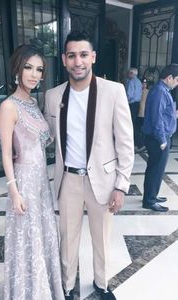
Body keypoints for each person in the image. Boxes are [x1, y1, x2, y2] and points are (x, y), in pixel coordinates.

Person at [44, 31, 134, 300]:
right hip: (68, 180)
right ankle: (68, 287)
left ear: (93, 57)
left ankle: (102, 285)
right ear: (64, 59)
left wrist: (121, 185)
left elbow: (125, 143)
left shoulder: (114, 91)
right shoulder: (52, 95)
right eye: (72, 55)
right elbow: (48, 137)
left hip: (103, 181)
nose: (78, 61)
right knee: (67, 241)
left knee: (102, 240)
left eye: (83, 54)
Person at [0, 45, 65, 300]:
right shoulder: (8, 106)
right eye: (28, 67)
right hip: (23, 181)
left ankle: (44, 287)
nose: (34, 74)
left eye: (39, 69)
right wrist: (14, 192)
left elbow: (41, 140)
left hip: (40, 181)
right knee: (27, 238)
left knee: (42, 234)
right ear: (17, 69)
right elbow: (6, 153)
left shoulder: (34, 103)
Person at [142, 64, 178, 212]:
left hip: (157, 137)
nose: (177, 83)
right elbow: (157, 119)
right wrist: (163, 140)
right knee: (155, 169)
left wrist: (173, 115)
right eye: (177, 80)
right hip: (157, 139)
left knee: (156, 169)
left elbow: (162, 114)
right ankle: (149, 200)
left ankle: (152, 195)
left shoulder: (162, 90)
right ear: (169, 78)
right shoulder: (160, 92)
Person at [125, 67, 143, 150]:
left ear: (132, 73)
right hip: (137, 104)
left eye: (129, 72)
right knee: (134, 123)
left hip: (131, 104)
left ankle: (139, 142)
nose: (128, 74)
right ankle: (138, 142)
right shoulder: (139, 81)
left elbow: (130, 95)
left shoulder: (131, 82)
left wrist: (124, 101)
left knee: (130, 123)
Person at [137, 78, 149, 151]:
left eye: (145, 84)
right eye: (142, 84)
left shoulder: (148, 92)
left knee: (142, 129)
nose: (143, 85)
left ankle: (143, 143)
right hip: (137, 112)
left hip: (143, 113)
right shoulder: (138, 91)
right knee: (137, 129)